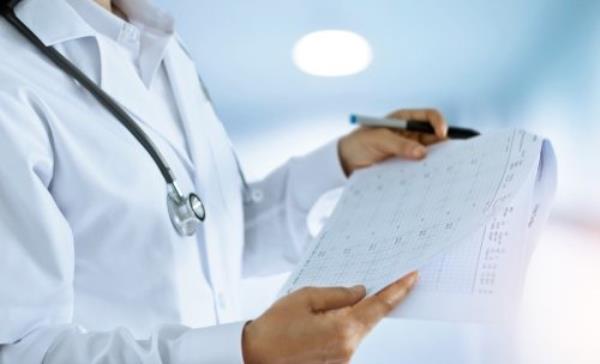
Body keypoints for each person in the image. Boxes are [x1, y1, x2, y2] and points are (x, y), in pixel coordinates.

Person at [0, 0, 448, 363]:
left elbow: (211, 234)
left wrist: (341, 163)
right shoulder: (11, 80)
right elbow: (20, 351)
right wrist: (243, 351)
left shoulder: (161, 46)